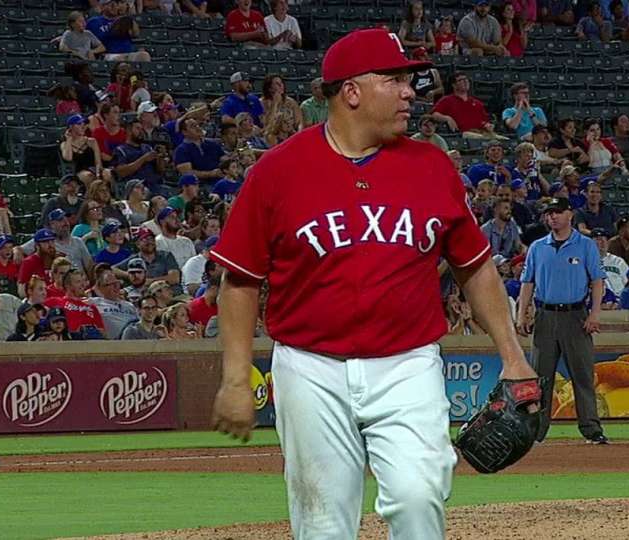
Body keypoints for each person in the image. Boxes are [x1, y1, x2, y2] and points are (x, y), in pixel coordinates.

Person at [208, 29, 537, 539]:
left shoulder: (431, 166)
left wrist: (514, 359)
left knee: (417, 495)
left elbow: (475, 266)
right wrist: (234, 378)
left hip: (407, 363)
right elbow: (240, 281)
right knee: (322, 523)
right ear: (352, 91)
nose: (410, 91)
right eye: (395, 79)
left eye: (410, 80)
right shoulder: (277, 171)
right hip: (310, 367)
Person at [515, 197, 607, 444]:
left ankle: (591, 429)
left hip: (576, 315)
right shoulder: (537, 247)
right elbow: (527, 283)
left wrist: (595, 313)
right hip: (545, 315)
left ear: (570, 214)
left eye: (557, 212)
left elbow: (597, 280)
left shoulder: (585, 245)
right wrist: (521, 312)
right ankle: (537, 431)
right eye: (549, 213)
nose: (552, 217)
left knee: (583, 375)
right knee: (541, 378)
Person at [431, 72, 503, 139]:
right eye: (461, 80)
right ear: (454, 85)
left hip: (481, 132)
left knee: (504, 140)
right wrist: (447, 118)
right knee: (483, 139)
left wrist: (487, 125)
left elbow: (484, 120)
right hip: (464, 133)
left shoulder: (477, 103)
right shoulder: (447, 100)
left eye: (466, 79)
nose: (465, 82)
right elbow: (434, 114)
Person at [44, 267, 106, 339]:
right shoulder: (55, 302)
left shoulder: (92, 308)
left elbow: (103, 333)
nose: (83, 285)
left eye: (83, 281)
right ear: (68, 285)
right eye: (78, 282)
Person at [86, 0, 151, 62]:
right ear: (103, 7)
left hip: (128, 53)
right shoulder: (94, 21)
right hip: (108, 55)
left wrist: (127, 17)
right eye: (110, 4)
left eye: (116, 4)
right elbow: (88, 39)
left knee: (144, 55)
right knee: (121, 60)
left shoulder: (123, 19)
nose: (113, 7)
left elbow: (135, 34)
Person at [88, 263, 138, 339]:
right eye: (111, 284)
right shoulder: (93, 303)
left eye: (117, 283)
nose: (116, 287)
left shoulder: (129, 305)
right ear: (101, 288)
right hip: (111, 344)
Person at [592, 228, 628, 294]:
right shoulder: (586, 263)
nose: (602, 243)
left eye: (604, 240)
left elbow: (628, 283)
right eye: (598, 240)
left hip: (620, 299)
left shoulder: (618, 261)